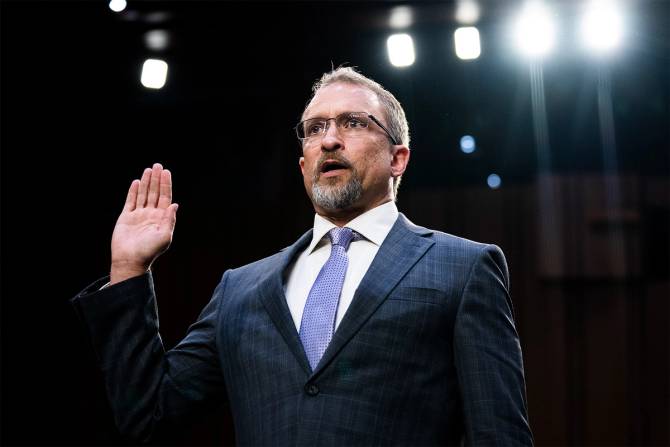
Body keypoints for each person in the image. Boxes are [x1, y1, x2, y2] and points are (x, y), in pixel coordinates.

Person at [72, 67, 533, 446]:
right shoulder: (241, 288)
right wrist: (129, 270)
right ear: (303, 164)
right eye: (315, 129)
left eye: (353, 123)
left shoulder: (463, 267)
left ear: (398, 159)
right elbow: (149, 413)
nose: (329, 140)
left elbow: (499, 435)